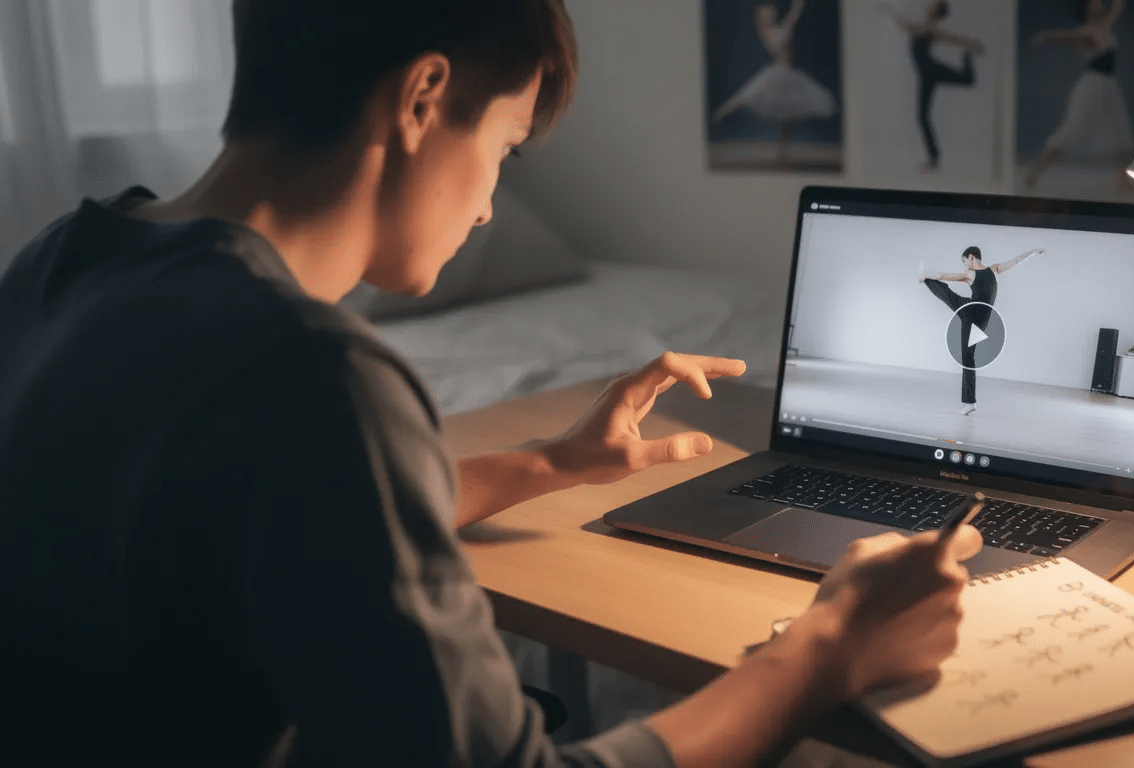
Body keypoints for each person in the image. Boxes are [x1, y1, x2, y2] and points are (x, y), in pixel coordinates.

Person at [0, 1, 981, 766]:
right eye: (505, 148)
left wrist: (553, 463)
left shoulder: (60, 260)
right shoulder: (311, 368)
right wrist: (828, 646)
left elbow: (244, 511)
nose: (485, 210)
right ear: (423, 97)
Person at [1023, 0, 1134, 189]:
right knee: (1071, 130)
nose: (1099, 5)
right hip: (1092, 86)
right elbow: (1066, 36)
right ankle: (1034, 173)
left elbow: (1118, 7)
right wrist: (1046, 36)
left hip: (1108, 86)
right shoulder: (1087, 31)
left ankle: (1122, 180)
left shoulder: (1104, 26)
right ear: (1088, 11)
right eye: (1094, 4)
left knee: (1119, 128)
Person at [710, 0, 838, 165]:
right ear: (764, 18)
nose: (772, 14)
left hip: (787, 73)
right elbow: (791, 19)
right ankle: (717, 116)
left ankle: (781, 151)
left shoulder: (774, 30)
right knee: (748, 95)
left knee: (786, 113)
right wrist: (797, 6)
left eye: (771, 12)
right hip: (779, 72)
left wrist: (797, 6)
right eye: (768, 14)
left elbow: (791, 19)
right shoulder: (771, 33)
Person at [921, 246, 1043, 414]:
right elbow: (1016, 260)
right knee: (968, 357)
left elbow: (943, 275)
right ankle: (970, 403)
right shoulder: (994, 270)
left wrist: (926, 275)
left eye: (965, 262)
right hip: (983, 319)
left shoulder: (971, 274)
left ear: (972, 257)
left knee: (950, 298)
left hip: (971, 313)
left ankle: (925, 280)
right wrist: (1033, 252)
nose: (964, 266)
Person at [878, 1, 986, 172]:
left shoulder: (930, 28)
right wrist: (888, 10)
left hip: (930, 70)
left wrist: (972, 44)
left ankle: (967, 59)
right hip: (926, 74)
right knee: (922, 117)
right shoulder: (923, 26)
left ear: (935, 11)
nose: (928, 5)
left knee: (923, 115)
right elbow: (904, 24)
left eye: (932, 5)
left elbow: (952, 38)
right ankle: (934, 159)